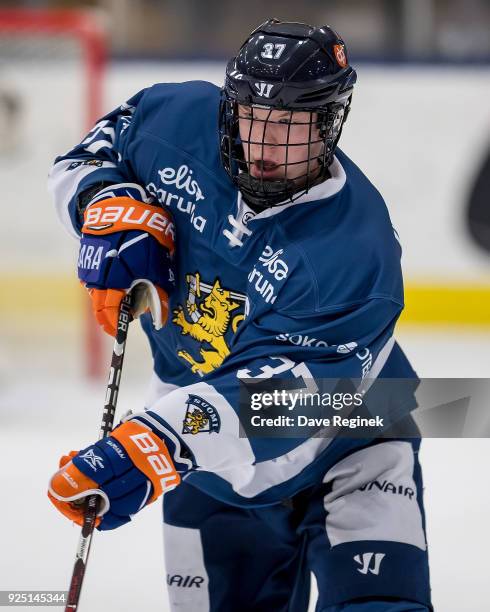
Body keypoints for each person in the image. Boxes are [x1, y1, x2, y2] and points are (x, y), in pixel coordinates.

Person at [47, 19, 432, 612]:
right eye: (252, 115)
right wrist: (105, 204)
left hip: (356, 442)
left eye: (288, 124)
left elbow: (296, 399)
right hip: (209, 467)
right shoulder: (175, 121)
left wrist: (160, 441)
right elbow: (87, 156)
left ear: (327, 122)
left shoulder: (358, 248)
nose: (263, 144)